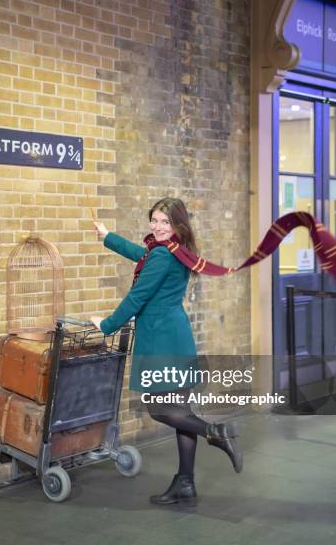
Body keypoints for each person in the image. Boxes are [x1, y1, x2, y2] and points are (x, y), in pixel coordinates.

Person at [91, 197, 243, 507]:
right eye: (155, 220)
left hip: (161, 340)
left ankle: (215, 431)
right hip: (176, 337)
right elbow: (142, 255)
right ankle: (185, 482)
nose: (158, 227)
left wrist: (105, 325)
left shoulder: (162, 256)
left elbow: (137, 298)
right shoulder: (175, 250)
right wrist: (107, 236)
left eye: (165, 222)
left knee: (160, 409)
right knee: (181, 413)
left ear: (178, 226)